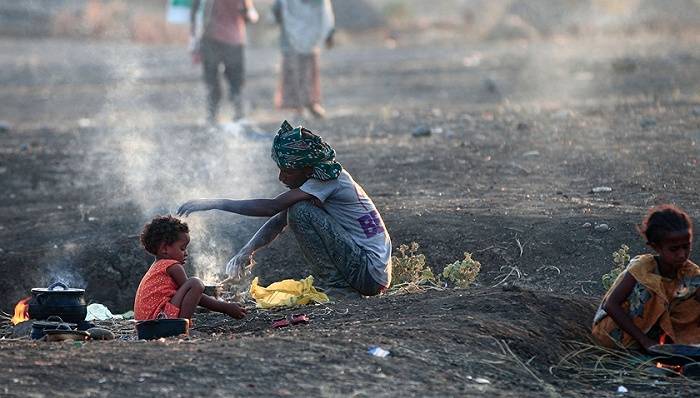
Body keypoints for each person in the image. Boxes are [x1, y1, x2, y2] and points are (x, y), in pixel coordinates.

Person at [177, 120, 392, 298]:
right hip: (371, 271)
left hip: (368, 272)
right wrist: (247, 250)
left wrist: (215, 203)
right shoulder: (321, 178)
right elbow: (280, 219)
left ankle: (338, 289)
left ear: (307, 168)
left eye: (287, 171)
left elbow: (273, 207)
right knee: (296, 210)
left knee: (300, 212)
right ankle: (339, 286)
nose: (281, 178)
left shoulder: (327, 181)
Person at [592, 204, 700, 351]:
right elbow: (610, 305)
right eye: (674, 249)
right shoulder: (643, 267)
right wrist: (645, 341)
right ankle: (645, 344)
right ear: (656, 247)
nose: (681, 254)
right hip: (619, 335)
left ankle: (672, 342)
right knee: (650, 289)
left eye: (686, 247)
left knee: (693, 292)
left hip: (654, 334)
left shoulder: (690, 272)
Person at [134, 215, 247, 321]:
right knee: (195, 283)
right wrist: (226, 307)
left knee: (192, 285)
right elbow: (198, 295)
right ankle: (180, 327)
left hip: (146, 325)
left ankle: (178, 325)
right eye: (182, 248)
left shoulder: (156, 267)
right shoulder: (172, 266)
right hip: (159, 320)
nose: (186, 253)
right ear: (164, 249)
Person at [190, 0, 259, 123]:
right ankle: (238, 114)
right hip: (232, 41)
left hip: (212, 39)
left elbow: (195, 15)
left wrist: (194, 41)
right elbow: (251, 16)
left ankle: (213, 114)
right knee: (234, 82)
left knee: (212, 79)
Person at [272, 0, 334, 118]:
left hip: (306, 37)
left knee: (305, 70)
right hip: (294, 37)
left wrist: (328, 33)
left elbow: (325, 13)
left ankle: (308, 103)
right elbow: (277, 11)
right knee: (298, 70)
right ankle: (299, 105)